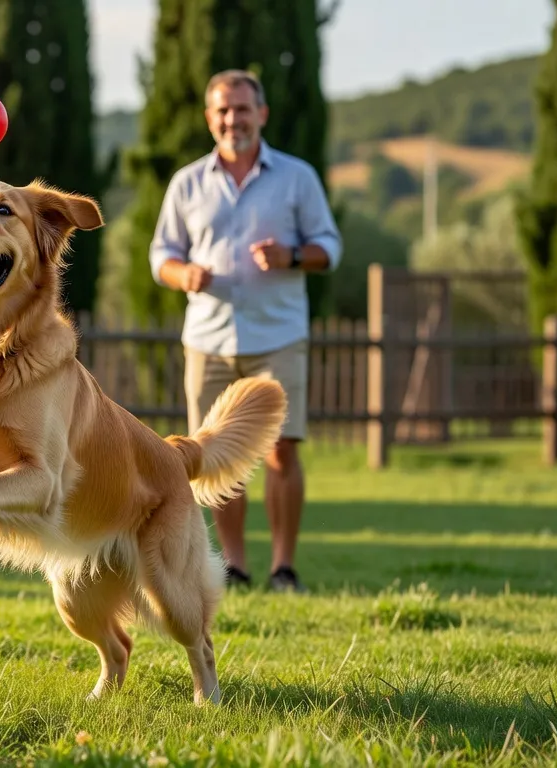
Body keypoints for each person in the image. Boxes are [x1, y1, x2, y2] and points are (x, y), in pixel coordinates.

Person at [148, 68, 342, 593]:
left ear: (262, 114)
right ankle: (234, 565)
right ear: (211, 119)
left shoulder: (297, 178)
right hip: (207, 339)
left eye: (242, 108)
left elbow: (331, 246)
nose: (233, 118)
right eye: (223, 110)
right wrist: (182, 273)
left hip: (277, 336)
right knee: (214, 457)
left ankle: (284, 568)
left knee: (282, 451)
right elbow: (160, 254)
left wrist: (293, 255)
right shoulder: (187, 182)